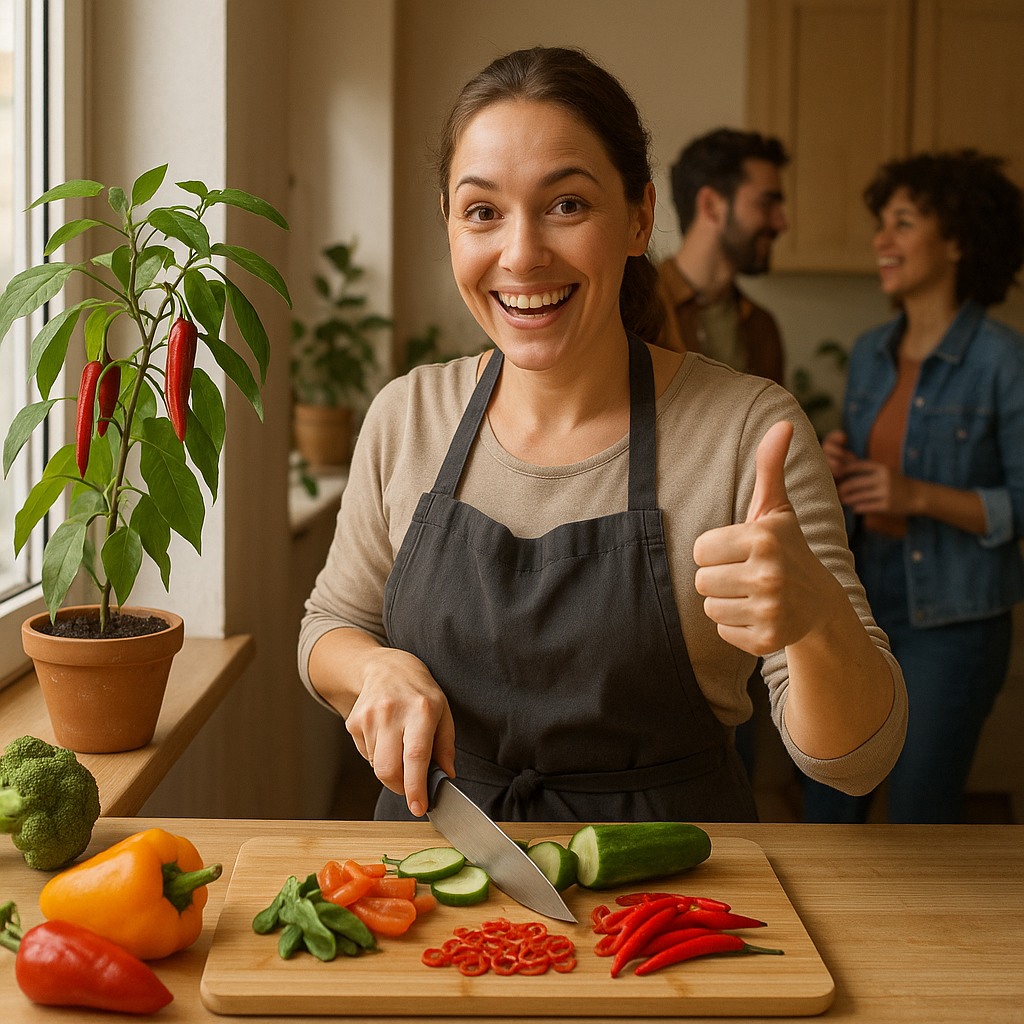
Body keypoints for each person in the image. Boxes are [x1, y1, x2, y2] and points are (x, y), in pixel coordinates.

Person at [298, 46, 906, 823]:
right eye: (483, 212)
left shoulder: (748, 433)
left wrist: (817, 620)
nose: (522, 254)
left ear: (639, 218)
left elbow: (858, 763)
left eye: (567, 205)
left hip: (678, 885)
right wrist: (374, 669)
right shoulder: (408, 415)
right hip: (438, 868)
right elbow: (330, 626)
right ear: (450, 224)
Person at [803, 150, 1024, 824]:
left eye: (903, 223)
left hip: (954, 621)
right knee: (829, 803)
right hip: (861, 599)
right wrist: (837, 464)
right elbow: (867, 479)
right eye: (882, 223)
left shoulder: (1003, 360)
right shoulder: (871, 351)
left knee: (919, 815)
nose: (882, 240)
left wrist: (916, 496)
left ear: (956, 241)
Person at [656, 128, 788, 386]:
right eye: (766, 203)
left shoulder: (762, 327)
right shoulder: (634, 308)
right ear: (712, 206)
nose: (782, 223)